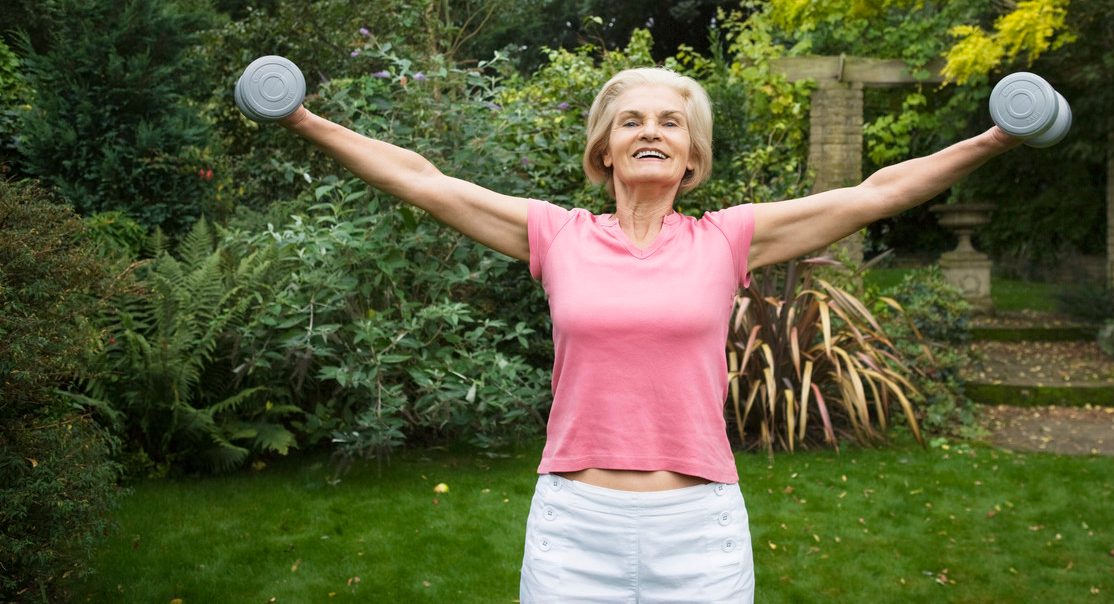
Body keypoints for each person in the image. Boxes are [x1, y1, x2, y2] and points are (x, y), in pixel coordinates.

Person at [275, 66, 1020, 602]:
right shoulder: (556, 235)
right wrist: (303, 120)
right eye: (632, 121)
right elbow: (423, 180)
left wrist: (992, 138)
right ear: (605, 151)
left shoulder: (728, 240)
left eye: (671, 122)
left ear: (692, 158)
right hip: (575, 526)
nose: (652, 131)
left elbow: (876, 193)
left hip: (697, 528)